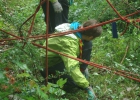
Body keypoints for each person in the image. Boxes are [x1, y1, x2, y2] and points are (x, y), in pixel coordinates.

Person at [40, 19, 103, 100]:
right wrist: (87, 87)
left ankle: (81, 72)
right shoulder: (69, 43)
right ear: (91, 37)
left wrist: (83, 68)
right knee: (74, 83)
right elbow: (72, 67)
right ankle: (51, 80)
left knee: (87, 44)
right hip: (48, 65)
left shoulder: (74, 28)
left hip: (57, 58)